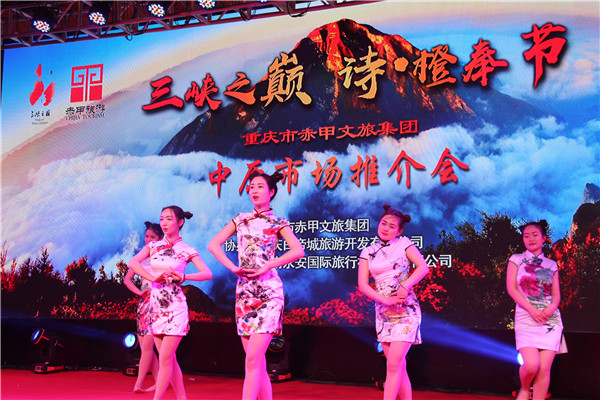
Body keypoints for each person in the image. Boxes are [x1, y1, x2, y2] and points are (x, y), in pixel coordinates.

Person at [208, 171, 304, 400]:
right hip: (245, 294)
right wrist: (233, 268)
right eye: (251, 186)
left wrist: (268, 265)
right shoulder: (241, 219)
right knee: (256, 362)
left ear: (271, 192)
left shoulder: (278, 222)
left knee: (252, 359)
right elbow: (213, 245)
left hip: (269, 293)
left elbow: (298, 251)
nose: (254, 190)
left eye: (260, 186)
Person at [129, 206, 213, 400]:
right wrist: (153, 278)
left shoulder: (187, 250)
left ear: (180, 222)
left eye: (168, 219)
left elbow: (207, 273)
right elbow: (133, 263)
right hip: (156, 308)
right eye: (162, 219)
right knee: (170, 360)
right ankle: (182, 398)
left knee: (166, 358)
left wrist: (184, 277)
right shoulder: (153, 246)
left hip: (175, 308)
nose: (164, 223)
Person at [357, 204, 429, 400]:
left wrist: (405, 286)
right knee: (398, 365)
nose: (386, 228)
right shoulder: (368, 251)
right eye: (383, 223)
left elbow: (423, 267)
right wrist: (385, 300)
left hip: (406, 310)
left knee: (394, 364)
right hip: (384, 312)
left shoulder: (404, 243)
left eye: (391, 226)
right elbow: (363, 285)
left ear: (399, 231)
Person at [506, 220, 566, 400]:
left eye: (534, 235)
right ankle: (525, 389)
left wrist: (552, 308)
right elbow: (512, 289)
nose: (530, 239)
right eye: (526, 236)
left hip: (550, 320)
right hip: (526, 317)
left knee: (544, 369)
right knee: (532, 364)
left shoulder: (551, 264)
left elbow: (555, 294)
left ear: (544, 238)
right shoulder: (516, 259)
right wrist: (532, 310)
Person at [124, 221, 162, 393]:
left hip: (157, 303)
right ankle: (160, 380)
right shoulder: (141, 257)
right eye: (147, 236)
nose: (148, 239)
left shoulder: (162, 256)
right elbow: (127, 280)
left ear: (160, 238)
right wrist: (139, 293)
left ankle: (139, 383)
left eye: (152, 237)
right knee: (145, 347)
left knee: (147, 346)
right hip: (143, 304)